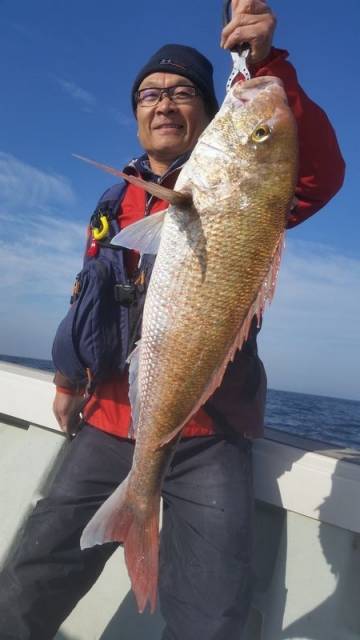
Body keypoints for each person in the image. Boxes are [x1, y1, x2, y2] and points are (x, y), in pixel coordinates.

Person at [0, 1, 345, 638]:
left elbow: (318, 174)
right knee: (28, 581)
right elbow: (88, 301)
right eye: (149, 94)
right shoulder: (115, 201)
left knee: (210, 618)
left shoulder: (245, 186)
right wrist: (68, 378)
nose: (163, 103)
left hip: (208, 429)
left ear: (210, 113)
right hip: (105, 418)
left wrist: (267, 67)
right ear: (135, 115)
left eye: (183, 91)